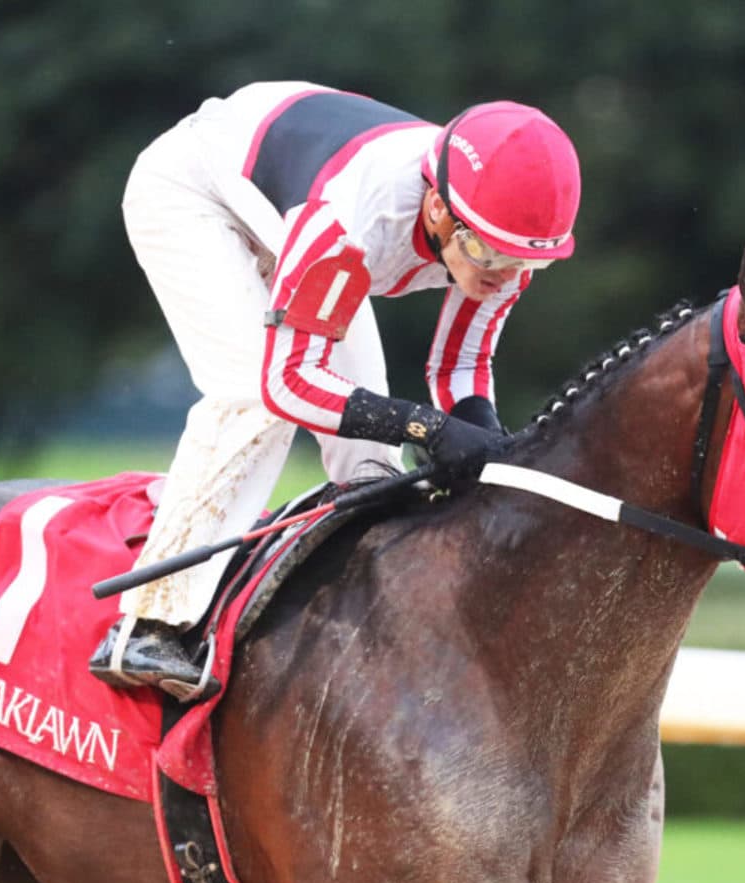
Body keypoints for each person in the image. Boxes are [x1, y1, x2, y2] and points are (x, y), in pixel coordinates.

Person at [87, 81, 581, 700]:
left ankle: (362, 593)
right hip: (195, 196)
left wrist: (489, 444)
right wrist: (428, 429)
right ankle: (150, 624)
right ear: (437, 209)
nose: (501, 276)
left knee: (370, 466)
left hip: (289, 210)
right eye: (486, 252)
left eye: (525, 264)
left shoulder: (501, 238)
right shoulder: (356, 220)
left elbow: (461, 370)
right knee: (249, 392)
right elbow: (288, 384)